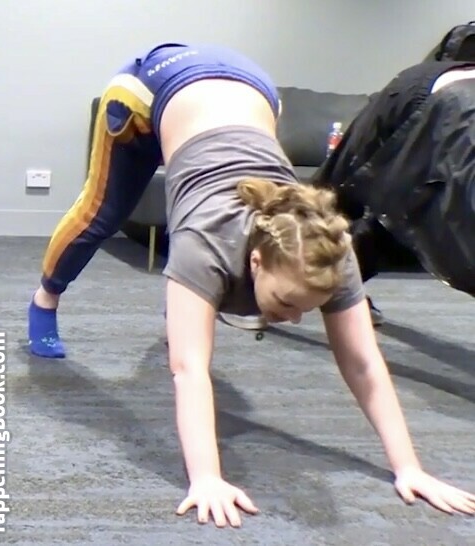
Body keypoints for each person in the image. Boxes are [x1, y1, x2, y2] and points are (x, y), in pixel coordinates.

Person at [27, 43, 475, 527]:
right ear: (256, 260)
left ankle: (187, 306)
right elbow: (189, 372)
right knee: (103, 213)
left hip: (251, 88)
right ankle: (44, 301)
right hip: (156, 83)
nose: (295, 320)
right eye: (286, 301)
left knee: (194, 296)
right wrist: (207, 478)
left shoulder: (330, 249)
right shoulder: (205, 244)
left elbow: (365, 363)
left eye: (307, 308)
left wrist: (409, 467)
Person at [311, 60, 475, 300]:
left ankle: (345, 297)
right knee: (325, 201)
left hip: (451, 110)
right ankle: (267, 283)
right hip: (421, 96)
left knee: (395, 219)